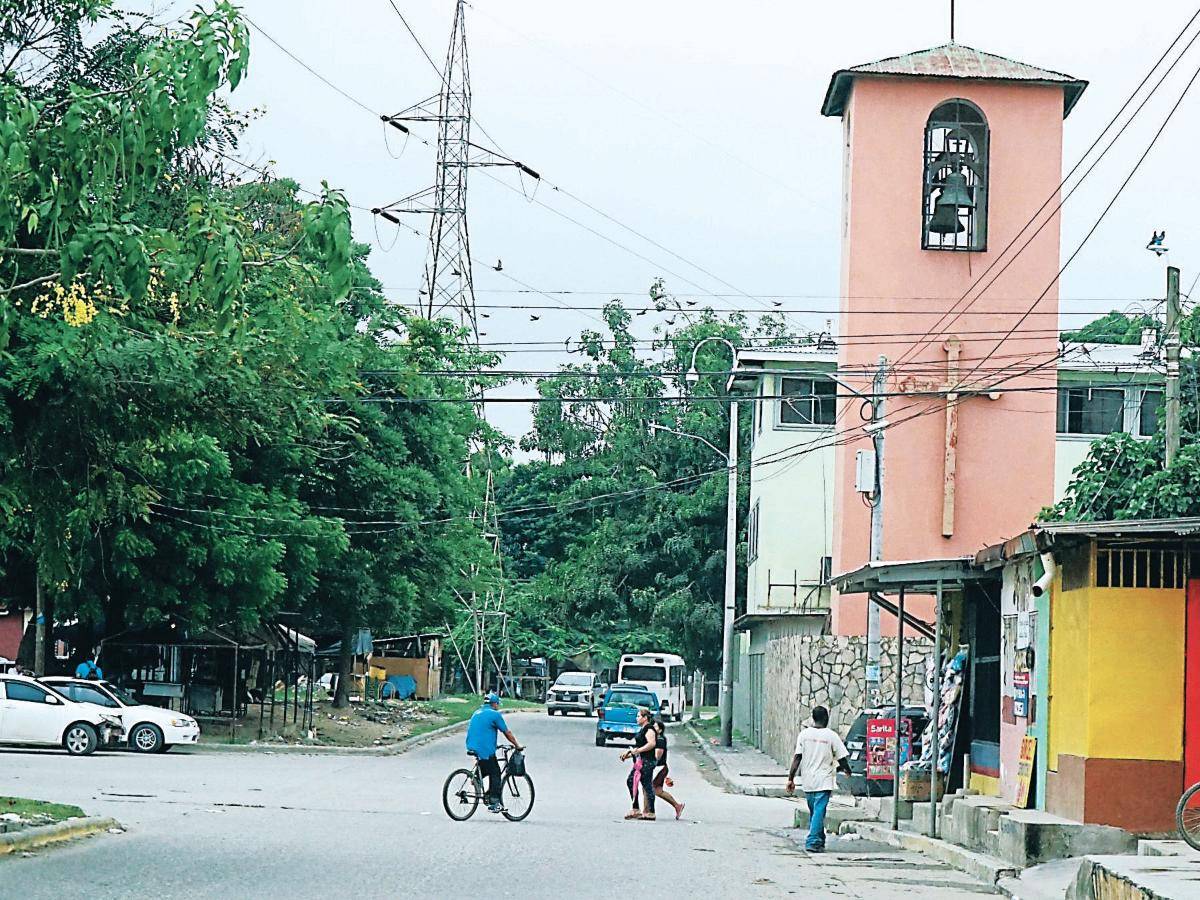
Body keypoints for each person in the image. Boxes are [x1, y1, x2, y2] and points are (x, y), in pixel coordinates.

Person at [786, 705, 851, 852]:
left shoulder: (804, 735)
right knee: (818, 812)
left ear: (813, 718)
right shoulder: (831, 735)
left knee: (815, 811)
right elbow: (841, 758)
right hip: (824, 780)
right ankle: (813, 841)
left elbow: (797, 757)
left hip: (808, 780)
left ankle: (820, 839)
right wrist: (847, 770)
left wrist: (791, 778)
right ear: (826, 718)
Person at [465, 692, 522, 813]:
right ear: (494, 704)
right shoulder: (495, 715)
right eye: (497, 704)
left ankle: (475, 780)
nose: (498, 706)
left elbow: (482, 731)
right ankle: (495, 801)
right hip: (484, 749)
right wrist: (517, 745)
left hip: (472, 746)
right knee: (495, 772)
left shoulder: (477, 712)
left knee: (486, 767)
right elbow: (507, 733)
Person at [620, 706, 657, 820]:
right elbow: (640, 746)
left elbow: (651, 744)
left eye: (638, 716)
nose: (636, 718)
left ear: (645, 718)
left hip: (647, 761)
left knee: (641, 784)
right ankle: (639, 809)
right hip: (640, 760)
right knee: (636, 782)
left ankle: (648, 811)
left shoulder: (649, 729)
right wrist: (629, 754)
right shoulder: (642, 729)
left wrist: (638, 751)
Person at [651, 716, 685, 820]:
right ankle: (677, 806)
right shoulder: (656, 738)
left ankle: (648, 811)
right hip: (661, 768)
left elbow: (658, 755)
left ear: (660, 730)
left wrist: (650, 763)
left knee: (650, 789)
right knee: (657, 791)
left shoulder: (660, 740)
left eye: (655, 727)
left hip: (659, 768)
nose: (653, 728)